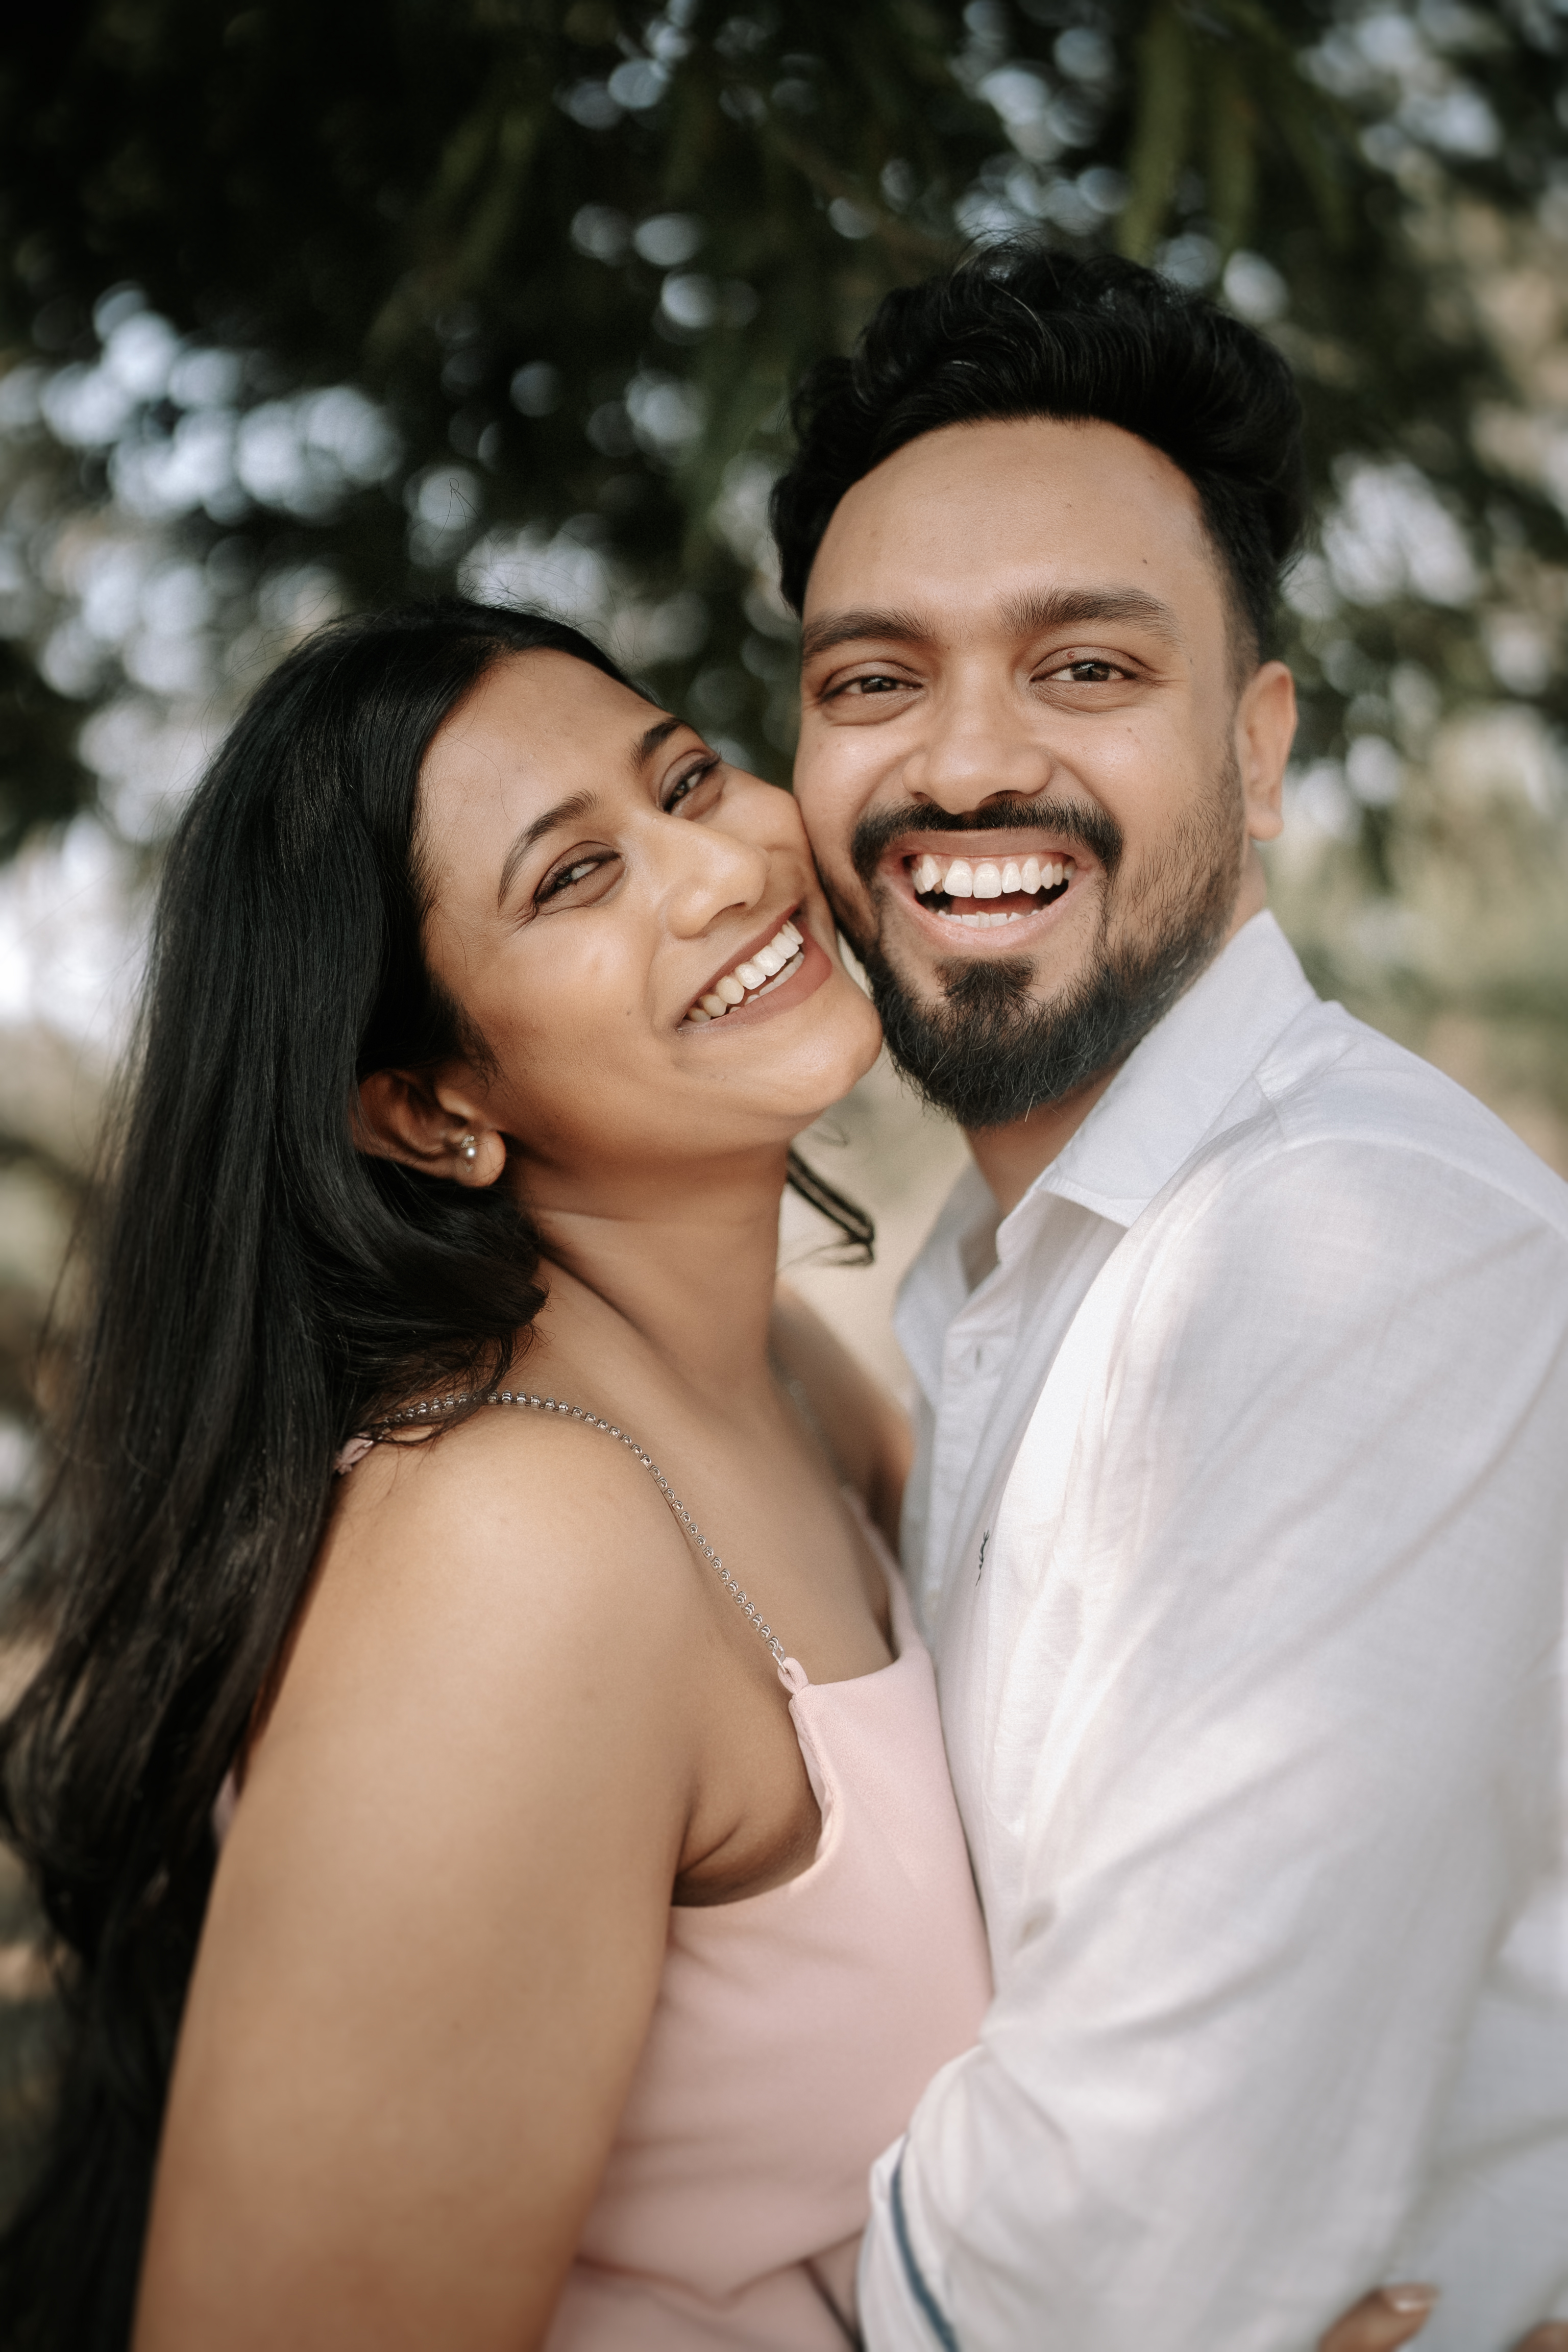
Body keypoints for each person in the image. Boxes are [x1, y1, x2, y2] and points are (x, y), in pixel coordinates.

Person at [0, 602, 1444, 2352]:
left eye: (684, 775)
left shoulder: (790, 1372)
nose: (719, 866)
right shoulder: (508, 1555)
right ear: (431, 1105)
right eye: (572, 879)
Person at [775, 247, 1568, 2351]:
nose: (960, 767)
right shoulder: (986, 1283)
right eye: (870, 682)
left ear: (1262, 742)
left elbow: (1126, 2260)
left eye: (1086, 670)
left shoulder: (1371, 1253)